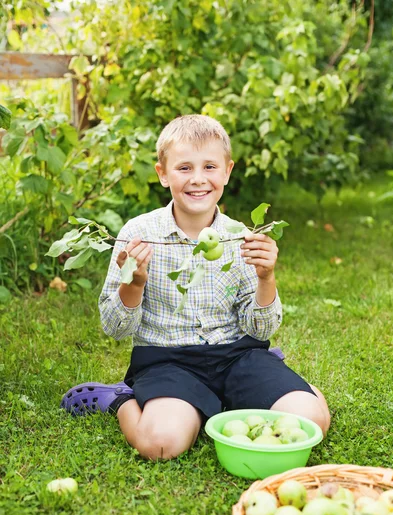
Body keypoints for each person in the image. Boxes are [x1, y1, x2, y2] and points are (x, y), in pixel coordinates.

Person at [61, 114, 330, 460]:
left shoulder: (239, 237)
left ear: (227, 171)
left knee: (311, 424)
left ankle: (285, 385)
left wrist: (266, 278)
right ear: (162, 173)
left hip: (238, 355)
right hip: (167, 360)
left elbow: (260, 326)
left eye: (209, 167)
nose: (198, 179)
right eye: (184, 168)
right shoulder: (138, 234)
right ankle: (120, 399)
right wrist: (135, 282)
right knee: (162, 445)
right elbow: (115, 327)